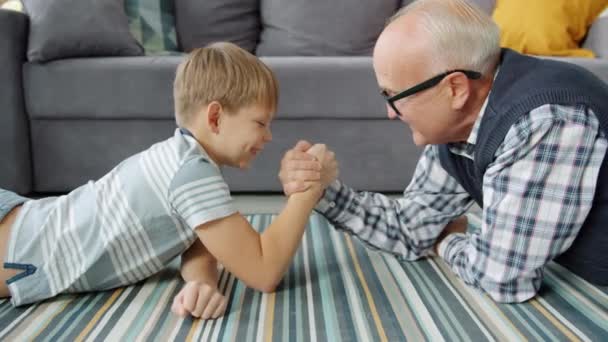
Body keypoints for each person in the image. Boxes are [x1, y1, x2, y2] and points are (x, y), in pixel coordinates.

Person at [279, 0, 608, 303]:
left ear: (455, 88)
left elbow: (501, 279)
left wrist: (446, 241)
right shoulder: (460, 126)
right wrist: (321, 190)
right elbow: (411, 228)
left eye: (394, 96)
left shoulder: (544, 121)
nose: (390, 113)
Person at [0, 42, 335, 320]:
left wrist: (201, 283)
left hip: (22, 218)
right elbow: (263, 272)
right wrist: (308, 191)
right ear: (215, 117)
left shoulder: (184, 160)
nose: (268, 136)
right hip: (20, 246)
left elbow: (197, 240)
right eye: (260, 123)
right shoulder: (191, 173)